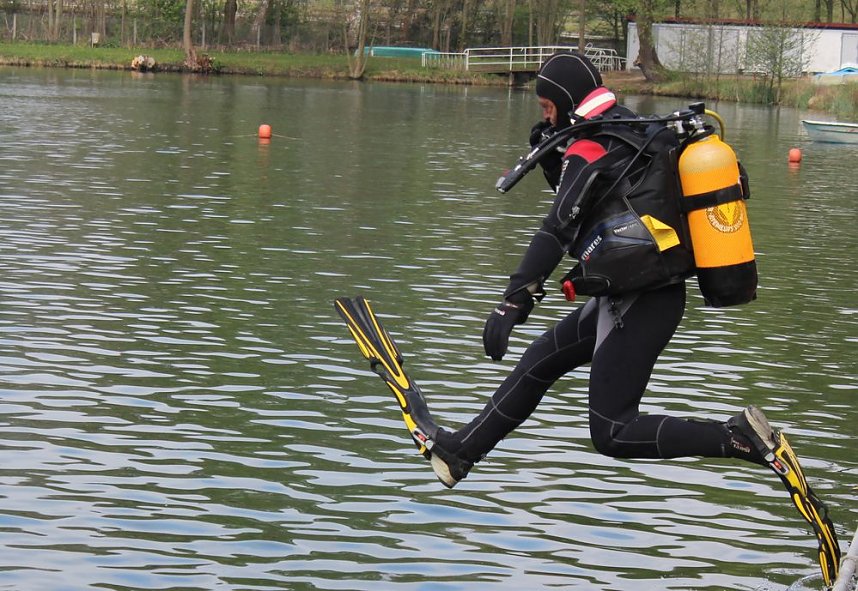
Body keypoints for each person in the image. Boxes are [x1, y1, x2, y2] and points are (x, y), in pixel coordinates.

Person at [334, 50, 839, 585]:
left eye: (548, 106)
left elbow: (556, 228)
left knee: (613, 430)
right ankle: (462, 453)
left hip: (645, 300)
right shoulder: (628, 129)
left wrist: (513, 300)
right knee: (542, 360)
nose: (545, 116)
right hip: (632, 293)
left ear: (568, 101)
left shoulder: (594, 143)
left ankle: (738, 439)